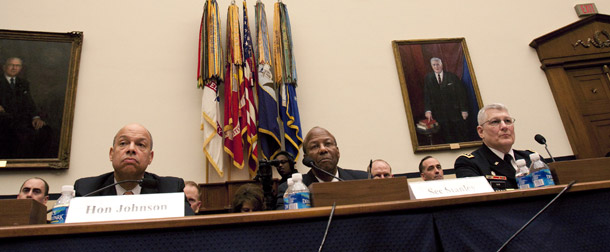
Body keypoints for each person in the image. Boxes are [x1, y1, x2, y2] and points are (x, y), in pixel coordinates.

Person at [73, 123, 194, 215]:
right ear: (111, 154)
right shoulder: (86, 190)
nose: (131, 149)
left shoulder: (170, 189)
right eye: (123, 143)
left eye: (140, 145)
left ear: (150, 157)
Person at [275, 126, 369, 209]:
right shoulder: (289, 190)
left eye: (328, 144)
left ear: (338, 152)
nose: (323, 149)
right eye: (315, 146)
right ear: (306, 158)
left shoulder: (364, 180)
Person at [454, 103, 539, 189]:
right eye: (495, 122)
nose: (504, 126)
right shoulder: (470, 164)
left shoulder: (531, 158)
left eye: (507, 121)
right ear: (481, 132)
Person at [0, 57, 51, 158]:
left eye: (17, 65)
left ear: (21, 68)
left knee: (45, 130)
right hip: (3, 118)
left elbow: (29, 103)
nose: (14, 68)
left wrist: (36, 117)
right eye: (11, 65)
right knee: (15, 135)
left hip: (21, 119)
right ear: (4, 67)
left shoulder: (23, 83)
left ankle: (36, 163)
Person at [423, 57, 469, 143]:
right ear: (431, 66)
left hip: (455, 112)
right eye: (434, 65)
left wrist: (464, 110)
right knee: (445, 135)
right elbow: (427, 95)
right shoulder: (428, 78)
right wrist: (428, 110)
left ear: (442, 65)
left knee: (459, 134)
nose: (436, 67)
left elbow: (461, 95)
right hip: (439, 113)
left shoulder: (452, 77)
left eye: (438, 64)